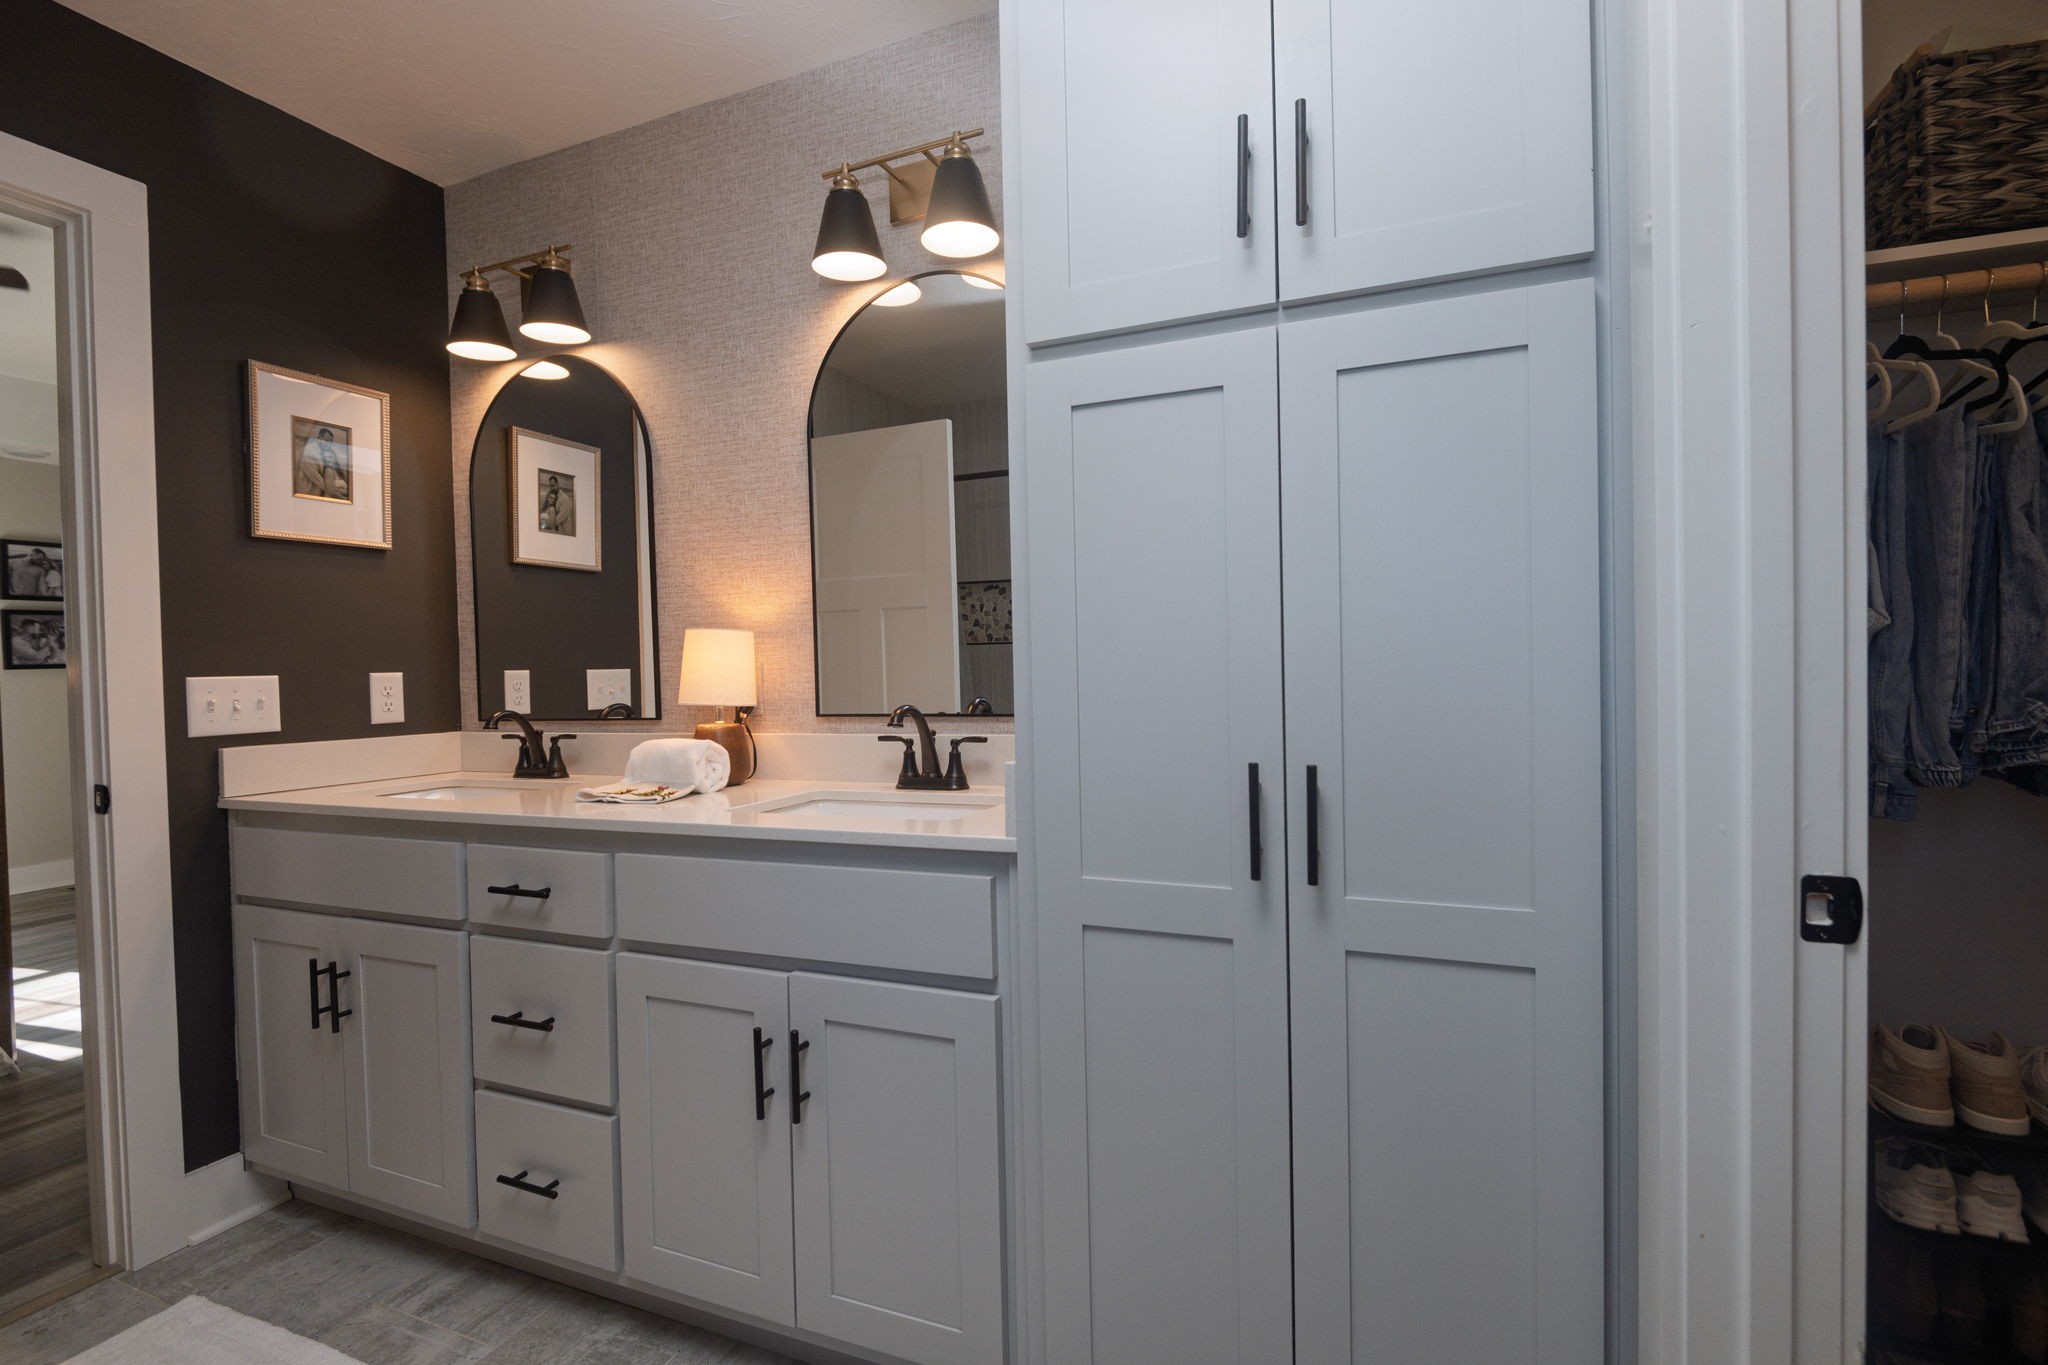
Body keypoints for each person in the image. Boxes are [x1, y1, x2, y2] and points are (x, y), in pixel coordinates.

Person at [296, 426, 349, 500]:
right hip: (309, 491)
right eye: (326, 441)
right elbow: (314, 476)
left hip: (326, 489)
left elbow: (339, 469)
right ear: (319, 438)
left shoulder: (329, 451)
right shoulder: (309, 451)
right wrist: (335, 491)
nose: (328, 444)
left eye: (330, 442)